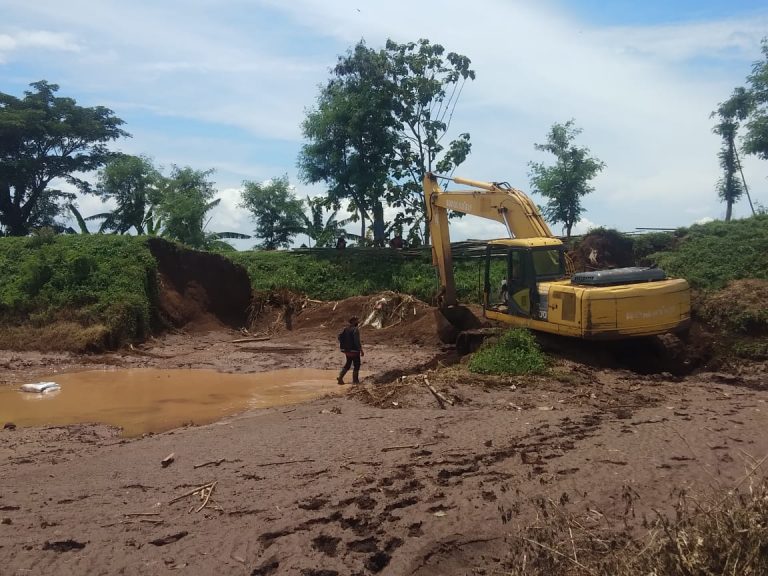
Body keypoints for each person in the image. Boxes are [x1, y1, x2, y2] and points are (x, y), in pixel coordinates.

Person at [337, 316, 364, 385]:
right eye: (356, 321)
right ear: (353, 321)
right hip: (354, 350)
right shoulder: (355, 329)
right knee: (357, 365)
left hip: (346, 350)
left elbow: (339, 337)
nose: (358, 322)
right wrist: (360, 350)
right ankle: (355, 381)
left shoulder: (345, 329)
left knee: (348, 364)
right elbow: (356, 341)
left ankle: (340, 377)